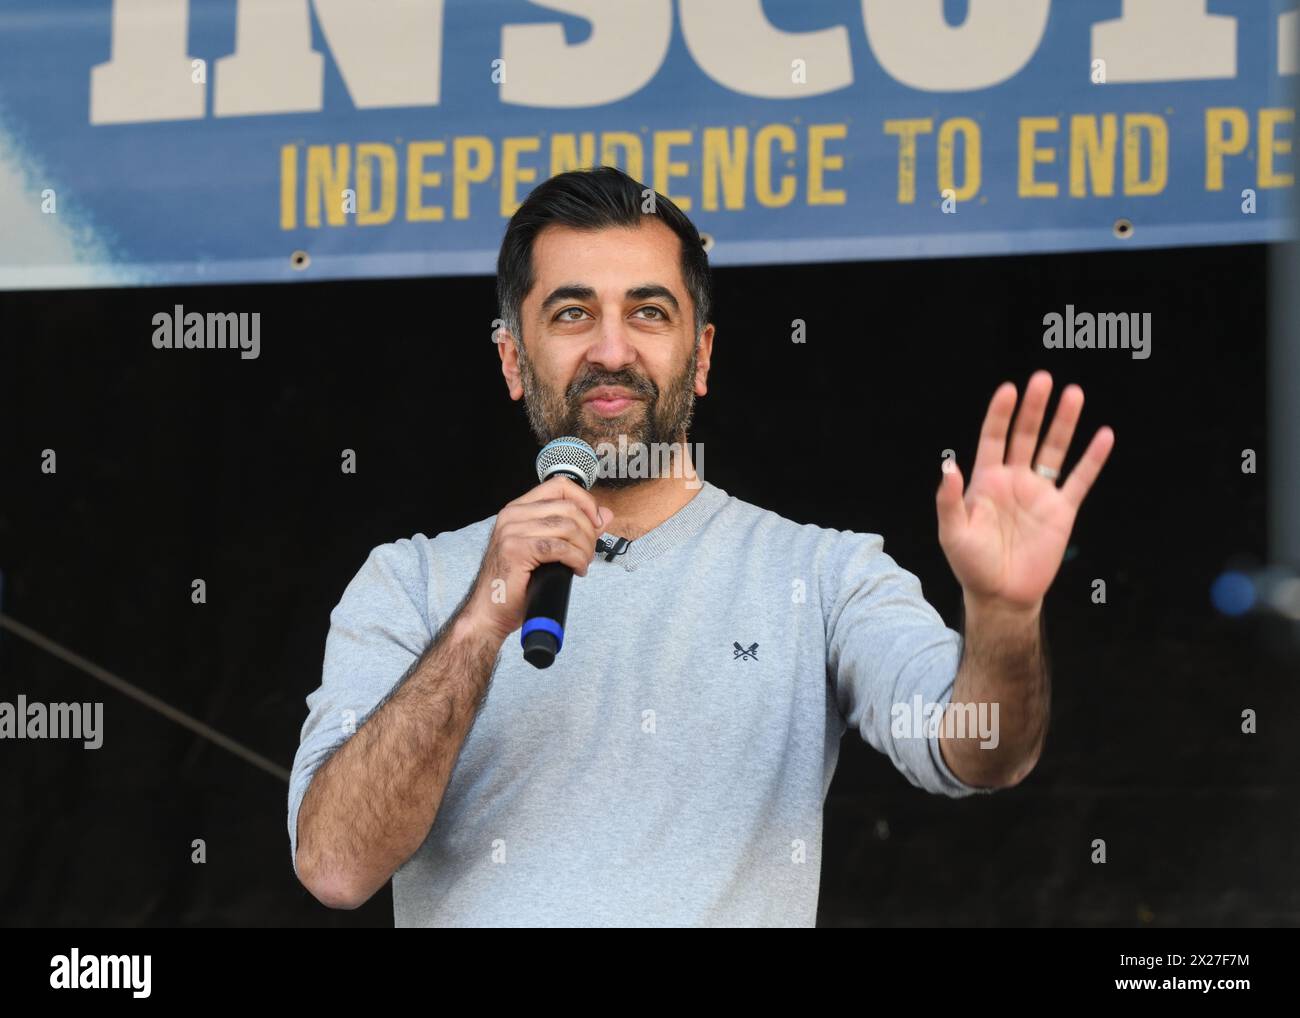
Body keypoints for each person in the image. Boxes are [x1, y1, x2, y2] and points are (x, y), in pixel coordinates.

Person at [288, 166, 1114, 927]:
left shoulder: (822, 575)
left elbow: (979, 754)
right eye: (572, 313)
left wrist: (1004, 615)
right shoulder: (408, 584)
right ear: (512, 358)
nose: (612, 350)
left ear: (704, 354)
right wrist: (477, 626)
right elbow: (335, 866)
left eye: (649, 312)